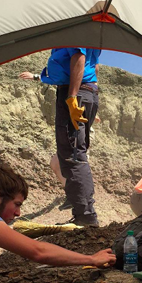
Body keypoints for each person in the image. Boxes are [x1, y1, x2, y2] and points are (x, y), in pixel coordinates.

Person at [19, 48, 101, 227]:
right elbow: (94, 67)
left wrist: (72, 97)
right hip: (86, 91)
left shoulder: (73, 28)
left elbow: (79, 56)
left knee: (72, 155)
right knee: (75, 153)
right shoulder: (86, 32)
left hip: (74, 91)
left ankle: (85, 217)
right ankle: (85, 213)